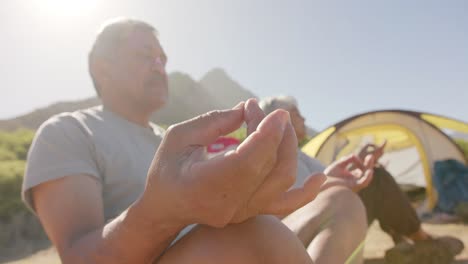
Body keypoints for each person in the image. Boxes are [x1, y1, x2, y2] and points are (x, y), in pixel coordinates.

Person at [21, 18, 372, 264]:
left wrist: (317, 183)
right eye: (146, 56)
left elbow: (233, 210)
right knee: (251, 237)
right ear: (102, 67)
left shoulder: (176, 144)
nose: (160, 67)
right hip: (225, 251)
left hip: (239, 251)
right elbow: (81, 258)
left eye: (163, 59)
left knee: (340, 202)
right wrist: (163, 214)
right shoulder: (68, 132)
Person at [259, 95, 464, 264]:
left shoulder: (301, 156)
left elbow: (321, 183)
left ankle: (409, 244)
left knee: (373, 177)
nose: (304, 118)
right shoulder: (264, 156)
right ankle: (422, 243)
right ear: (278, 118)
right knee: (370, 185)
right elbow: (294, 202)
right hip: (299, 230)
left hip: (319, 218)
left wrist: (360, 163)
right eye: (297, 113)